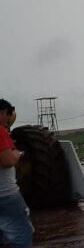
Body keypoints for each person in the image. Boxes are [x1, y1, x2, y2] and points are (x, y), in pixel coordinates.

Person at [0, 99, 33, 247]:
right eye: (7, 116)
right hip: (6, 194)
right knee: (22, 234)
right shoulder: (0, 132)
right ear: (2, 113)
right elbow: (7, 161)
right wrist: (17, 154)